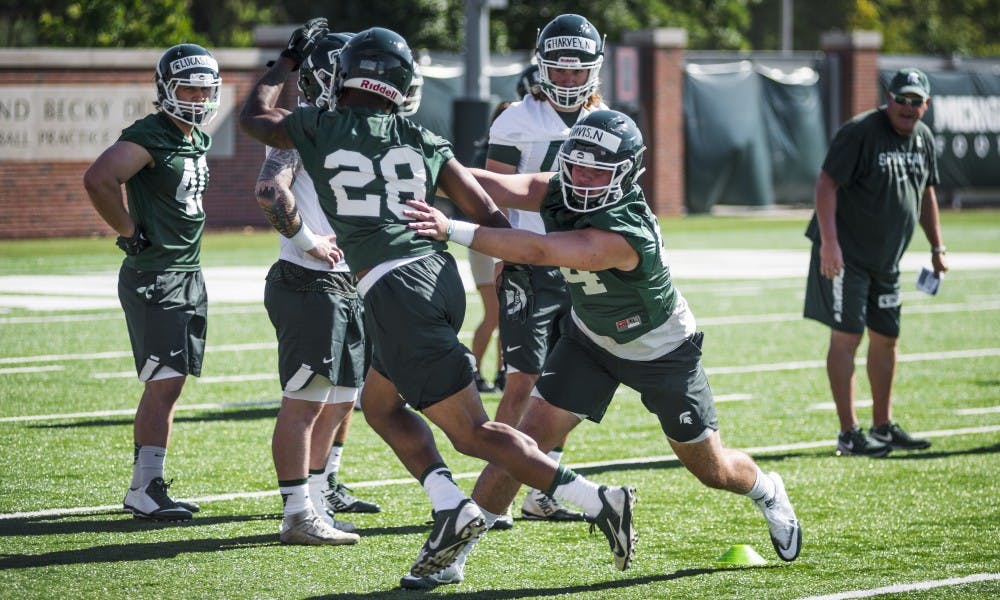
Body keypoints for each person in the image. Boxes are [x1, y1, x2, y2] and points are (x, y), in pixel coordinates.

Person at [240, 21, 636, 584]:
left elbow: (252, 119)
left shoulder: (321, 125)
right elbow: (483, 208)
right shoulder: (419, 136)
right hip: (435, 276)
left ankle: (597, 500)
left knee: (473, 432)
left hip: (395, 288)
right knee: (378, 405)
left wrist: (284, 64)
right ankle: (451, 504)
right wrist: (516, 260)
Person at [405, 109, 802, 586]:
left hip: (661, 352)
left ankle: (766, 489)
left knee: (711, 468)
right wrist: (425, 161)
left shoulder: (625, 231)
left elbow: (538, 251)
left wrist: (450, 227)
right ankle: (454, 554)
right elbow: (496, 185)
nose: (583, 178)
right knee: (525, 440)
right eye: (577, 164)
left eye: (599, 170)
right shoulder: (562, 185)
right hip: (590, 340)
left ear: (628, 174)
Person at [83, 43, 221, 522]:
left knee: (172, 382)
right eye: (188, 86)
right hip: (156, 274)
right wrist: (127, 229)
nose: (198, 97)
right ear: (165, 88)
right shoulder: (150, 134)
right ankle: (144, 487)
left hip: (186, 272)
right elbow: (100, 178)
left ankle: (149, 482)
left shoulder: (194, 137)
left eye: (205, 88)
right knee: (163, 383)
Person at [255, 31, 381, 546]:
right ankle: (295, 514)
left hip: (346, 283)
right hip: (310, 282)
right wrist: (307, 239)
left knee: (343, 399)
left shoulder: (350, 125)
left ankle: (316, 500)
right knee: (305, 401)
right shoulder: (304, 125)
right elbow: (269, 189)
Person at [483, 13, 608, 526]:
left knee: (569, 384)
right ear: (542, 68)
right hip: (530, 264)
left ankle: (542, 482)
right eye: (559, 70)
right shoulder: (515, 120)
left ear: (594, 70)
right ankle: (495, 489)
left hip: (583, 263)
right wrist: (499, 252)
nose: (569, 80)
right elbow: (489, 192)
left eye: (578, 71)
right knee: (523, 380)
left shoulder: (607, 120)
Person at [805, 67, 948, 457]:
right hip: (846, 256)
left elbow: (925, 195)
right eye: (900, 99)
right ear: (888, 99)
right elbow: (825, 184)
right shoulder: (860, 132)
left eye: (914, 101)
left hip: (887, 262)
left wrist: (937, 248)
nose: (906, 107)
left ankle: (882, 426)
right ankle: (848, 433)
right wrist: (829, 244)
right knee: (847, 336)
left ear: (926, 105)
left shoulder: (923, 139)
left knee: (887, 338)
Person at [468, 100, 514, 395]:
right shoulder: (489, 153)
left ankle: (502, 372)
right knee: (495, 311)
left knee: (509, 312)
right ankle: (472, 372)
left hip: (505, 238)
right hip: (488, 238)